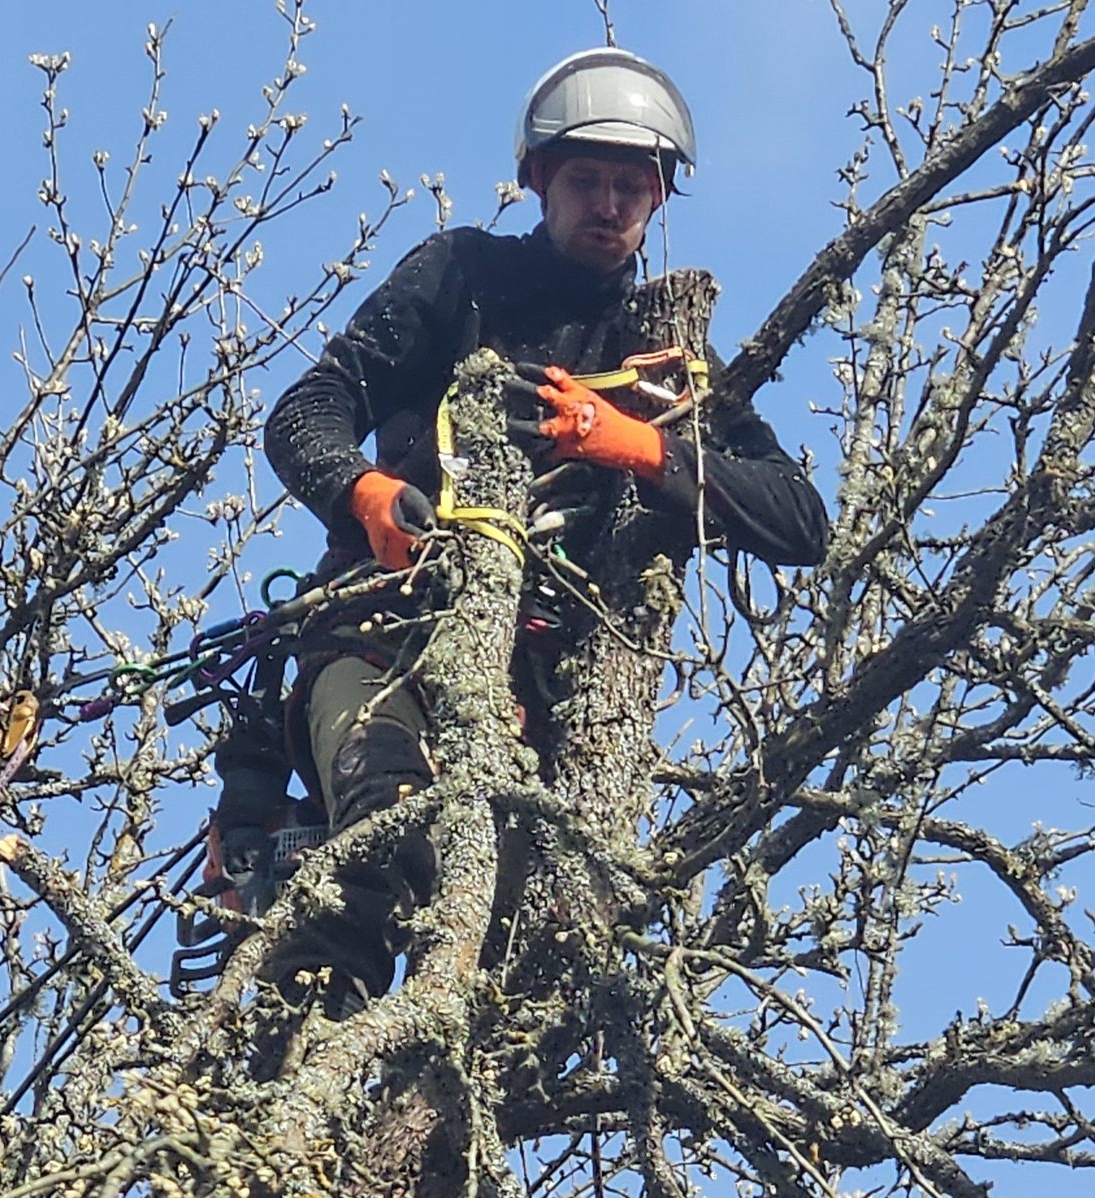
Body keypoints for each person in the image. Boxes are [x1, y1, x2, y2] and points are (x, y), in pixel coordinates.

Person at [257, 47, 830, 1013]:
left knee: (513, 956)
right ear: (537, 181)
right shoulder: (463, 275)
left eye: (629, 186)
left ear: (659, 196)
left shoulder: (663, 353)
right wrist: (360, 497)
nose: (607, 206)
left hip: (539, 705)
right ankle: (291, 1096)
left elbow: (801, 519)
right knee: (377, 839)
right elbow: (307, 407)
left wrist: (639, 446)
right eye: (584, 182)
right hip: (381, 633)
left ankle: (430, 1134)